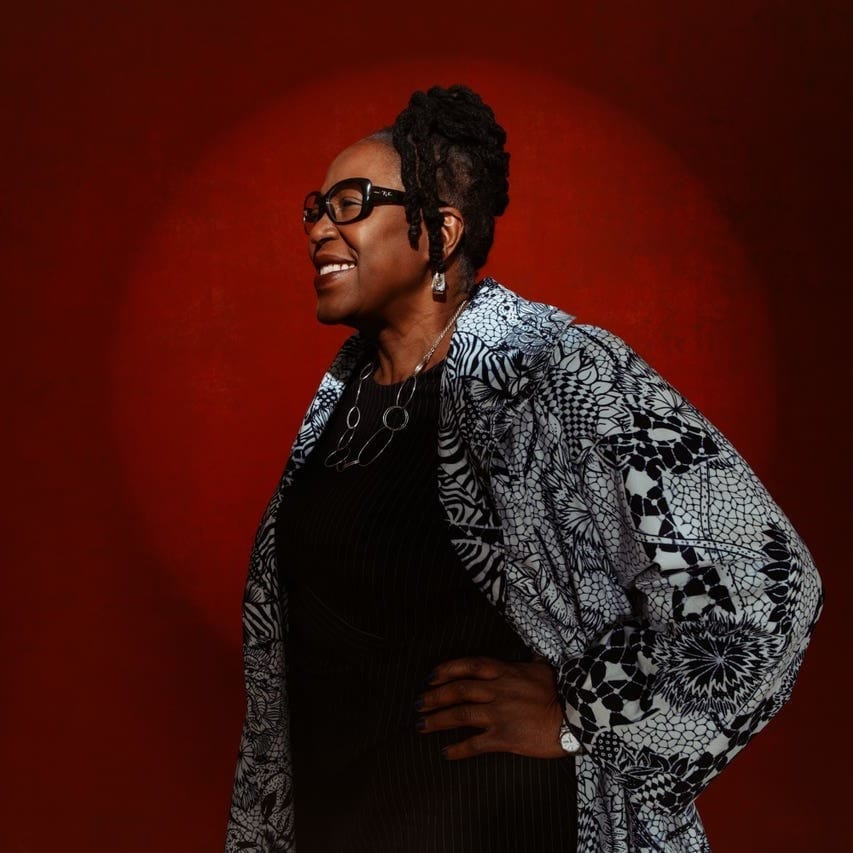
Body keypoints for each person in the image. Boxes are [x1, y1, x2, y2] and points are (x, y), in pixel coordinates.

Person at [225, 85, 822, 853]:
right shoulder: (341, 405)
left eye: (349, 204)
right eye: (315, 208)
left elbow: (768, 584)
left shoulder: (554, 369)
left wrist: (581, 715)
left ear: (441, 231)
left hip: (521, 825)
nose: (317, 228)